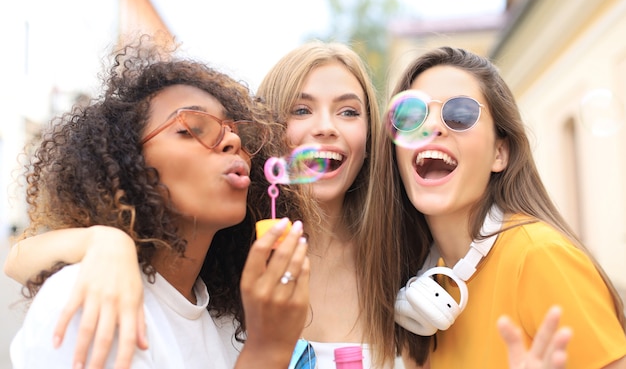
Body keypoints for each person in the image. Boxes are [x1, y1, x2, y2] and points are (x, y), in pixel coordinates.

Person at [5, 41, 573, 369]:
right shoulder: (231, 249)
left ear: (371, 138)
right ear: (266, 134)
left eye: (350, 112)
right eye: (301, 110)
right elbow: (21, 256)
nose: (326, 128)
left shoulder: (407, 253)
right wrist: (106, 243)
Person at [6, 35, 314, 369]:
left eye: (233, 132)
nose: (233, 141)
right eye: (192, 128)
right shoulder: (88, 299)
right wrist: (267, 351)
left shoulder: (227, 328)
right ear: (130, 162)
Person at [365, 46, 626, 368]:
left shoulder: (540, 257)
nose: (431, 126)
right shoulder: (429, 292)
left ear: (499, 153)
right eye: (412, 116)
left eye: (459, 114)